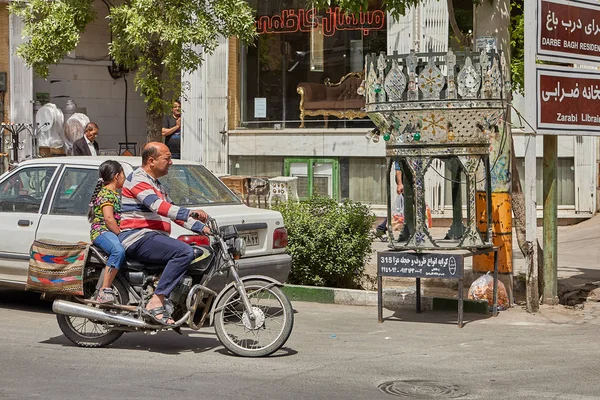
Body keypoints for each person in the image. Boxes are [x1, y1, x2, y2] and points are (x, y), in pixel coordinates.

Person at [119, 142, 210, 325]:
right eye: (167, 158)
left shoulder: (158, 186)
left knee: (199, 252)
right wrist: (189, 212)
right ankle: (156, 301)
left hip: (153, 237)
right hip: (138, 237)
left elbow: (174, 213)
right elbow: (158, 206)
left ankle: (172, 301)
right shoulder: (138, 179)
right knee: (184, 251)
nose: (171, 163)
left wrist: (204, 228)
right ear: (151, 161)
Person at [88, 160, 126, 304]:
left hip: (110, 231)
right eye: (123, 174)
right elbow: (109, 219)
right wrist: (120, 233)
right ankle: (104, 290)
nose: (124, 177)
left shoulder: (115, 194)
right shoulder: (106, 194)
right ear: (117, 176)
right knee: (118, 251)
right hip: (102, 232)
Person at [373, 161, 404, 242]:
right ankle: (381, 228)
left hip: (410, 181)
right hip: (404, 182)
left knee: (405, 209)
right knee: (403, 210)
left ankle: (381, 228)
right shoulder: (401, 151)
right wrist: (400, 184)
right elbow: (398, 168)